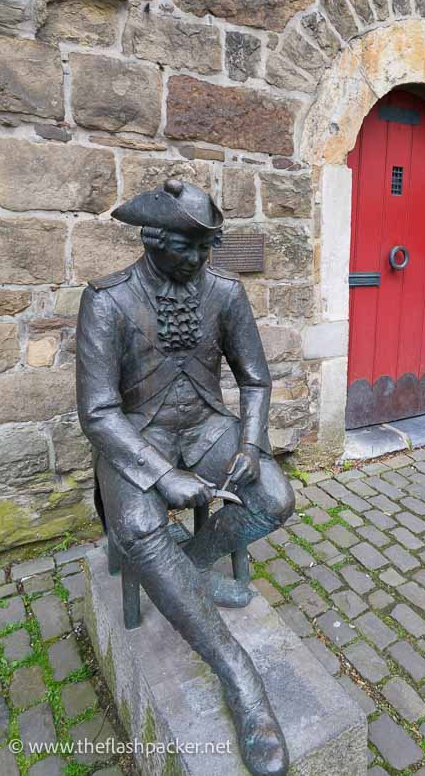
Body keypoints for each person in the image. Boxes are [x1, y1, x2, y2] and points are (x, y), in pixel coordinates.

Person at [76, 177, 294, 776]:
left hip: (205, 427)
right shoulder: (107, 299)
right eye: (186, 247)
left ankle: (184, 571)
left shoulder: (225, 292)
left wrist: (250, 442)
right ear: (151, 239)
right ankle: (240, 677)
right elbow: (97, 412)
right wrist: (161, 476)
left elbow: (254, 379)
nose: (198, 260)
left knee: (274, 498)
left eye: (207, 248)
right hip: (138, 439)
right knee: (142, 528)